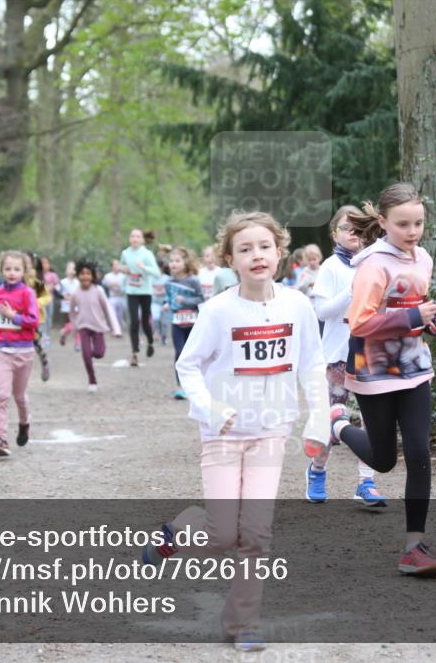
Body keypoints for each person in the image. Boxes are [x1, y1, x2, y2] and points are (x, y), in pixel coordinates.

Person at [141, 211, 328, 652]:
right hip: (223, 433)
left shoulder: (297, 306)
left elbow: (313, 366)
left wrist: (318, 419)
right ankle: (177, 532)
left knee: (256, 534)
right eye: (245, 249)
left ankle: (242, 623)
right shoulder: (217, 310)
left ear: (280, 253)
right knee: (221, 534)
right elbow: (188, 366)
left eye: (264, 247)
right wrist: (210, 406)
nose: (256, 255)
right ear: (230, 259)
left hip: (271, 432)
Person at [319, 182, 436, 577]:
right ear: (383, 222)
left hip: (413, 368)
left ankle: (414, 546)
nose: (412, 232)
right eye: (403, 224)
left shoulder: (422, 258)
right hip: (374, 371)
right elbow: (359, 322)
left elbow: (416, 307)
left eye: (419, 223)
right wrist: (413, 318)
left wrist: (433, 323)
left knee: (420, 454)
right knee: (384, 460)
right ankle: (338, 424)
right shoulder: (373, 265)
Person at [304, 206, 387, 506]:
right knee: (330, 418)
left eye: (357, 227)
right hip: (337, 356)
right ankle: (317, 470)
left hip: (369, 354)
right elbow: (322, 311)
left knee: (371, 421)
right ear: (334, 233)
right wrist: (352, 292)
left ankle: (366, 481)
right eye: (344, 227)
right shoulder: (330, 267)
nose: (352, 232)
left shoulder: (377, 264)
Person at [0, 251, 39, 457]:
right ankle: (1, 438)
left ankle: (24, 423)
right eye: (8, 269)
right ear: (2, 270)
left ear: (24, 271)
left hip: (24, 351)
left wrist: (12, 316)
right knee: (2, 395)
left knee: (19, 396)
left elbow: (33, 321)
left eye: (16, 269)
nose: (12, 273)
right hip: (4, 350)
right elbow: (1, 312)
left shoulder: (27, 293)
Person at [65, 263, 117, 393]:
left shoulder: (98, 290)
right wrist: (75, 325)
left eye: (88, 273)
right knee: (86, 354)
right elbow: (71, 312)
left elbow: (107, 309)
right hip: (83, 327)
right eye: (82, 274)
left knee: (99, 353)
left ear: (92, 276)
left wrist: (115, 328)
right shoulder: (76, 293)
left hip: (98, 327)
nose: (85, 276)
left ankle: (92, 353)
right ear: (78, 276)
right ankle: (92, 380)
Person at [163, 247, 203, 400]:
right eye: (171, 261)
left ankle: (196, 384)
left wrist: (185, 301)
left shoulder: (193, 281)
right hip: (177, 323)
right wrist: (166, 303)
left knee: (193, 354)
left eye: (177, 261)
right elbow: (168, 297)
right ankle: (180, 386)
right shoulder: (169, 282)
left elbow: (200, 299)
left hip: (192, 323)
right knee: (179, 353)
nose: (173, 264)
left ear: (186, 262)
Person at [120, 228, 160, 366]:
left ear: (142, 240)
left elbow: (157, 273)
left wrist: (143, 267)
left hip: (145, 292)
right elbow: (122, 267)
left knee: (144, 321)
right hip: (131, 291)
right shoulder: (125, 253)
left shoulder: (147, 254)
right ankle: (134, 353)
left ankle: (150, 341)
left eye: (138, 236)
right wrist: (123, 269)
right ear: (129, 238)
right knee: (134, 322)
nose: (135, 239)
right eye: (132, 236)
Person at [24, 251, 52, 382]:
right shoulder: (15, 280)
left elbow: (46, 297)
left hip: (36, 319)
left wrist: (35, 303)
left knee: (37, 344)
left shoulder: (36, 282)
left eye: (27, 262)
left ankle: (44, 362)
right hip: (18, 319)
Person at [58, 261, 80, 349]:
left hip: (77, 308)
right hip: (66, 308)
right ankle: (64, 333)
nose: (72, 271)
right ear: (66, 270)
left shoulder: (78, 282)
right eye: (70, 268)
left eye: (73, 269)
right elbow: (58, 293)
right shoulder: (62, 282)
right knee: (71, 325)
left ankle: (77, 343)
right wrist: (64, 297)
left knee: (77, 325)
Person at [102, 259, 127, 334]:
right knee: (113, 314)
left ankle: (119, 329)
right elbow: (104, 285)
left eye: (118, 264)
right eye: (115, 264)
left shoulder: (123, 276)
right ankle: (114, 330)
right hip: (112, 297)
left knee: (120, 315)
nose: (117, 266)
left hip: (121, 297)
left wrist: (120, 288)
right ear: (111, 266)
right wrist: (110, 286)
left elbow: (125, 286)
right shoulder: (107, 276)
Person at [152, 260, 171, 346]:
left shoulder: (167, 278)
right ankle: (156, 333)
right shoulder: (151, 278)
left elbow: (169, 290)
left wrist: (162, 292)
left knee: (164, 322)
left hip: (165, 302)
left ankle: (164, 337)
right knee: (155, 318)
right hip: (155, 302)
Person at [40, 256, 60, 338]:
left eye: (46, 263)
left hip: (50, 299)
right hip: (40, 300)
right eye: (42, 263)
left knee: (48, 317)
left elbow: (57, 285)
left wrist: (50, 287)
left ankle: (47, 334)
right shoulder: (38, 275)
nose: (44, 265)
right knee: (41, 317)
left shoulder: (53, 275)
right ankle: (40, 333)